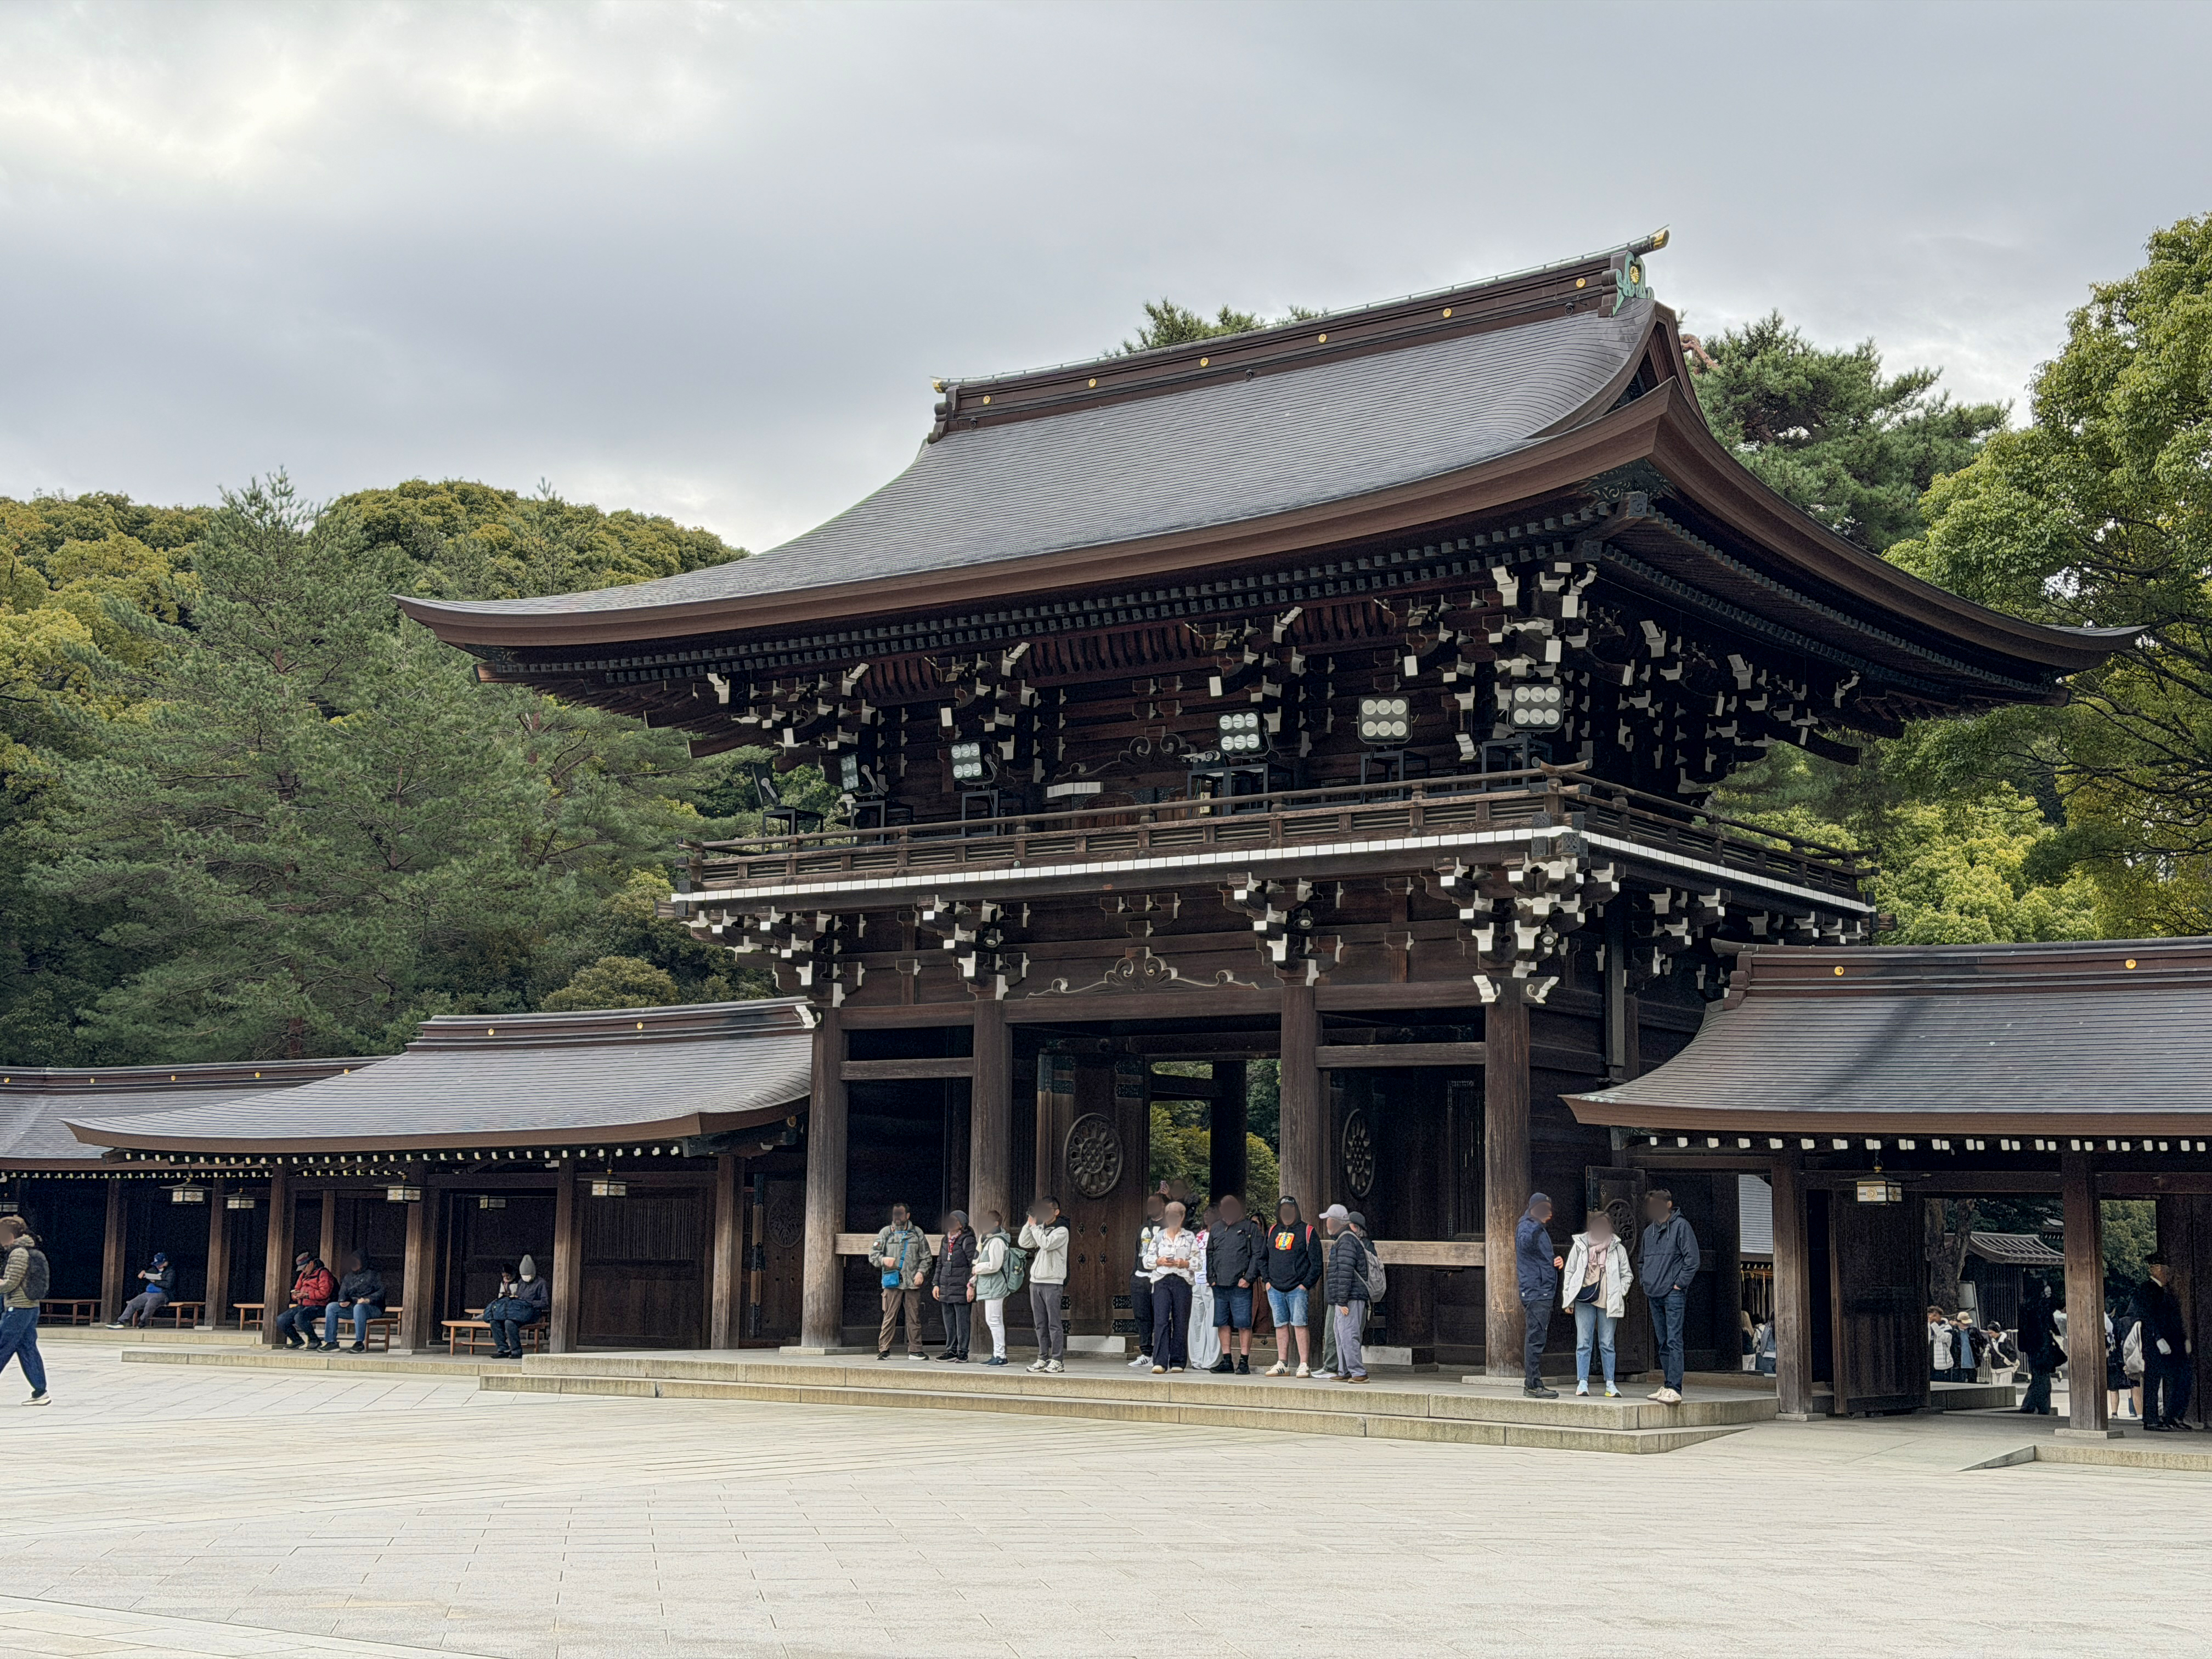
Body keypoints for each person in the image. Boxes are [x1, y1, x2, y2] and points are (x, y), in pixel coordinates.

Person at [1561, 1206, 1632, 1398]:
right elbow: (1570, 1272)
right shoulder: (1581, 1245)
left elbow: (1627, 1275)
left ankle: (1610, 1383)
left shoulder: (1618, 1248)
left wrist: (1619, 1292)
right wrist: (1568, 1298)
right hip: (1584, 1298)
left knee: (1607, 1342)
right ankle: (1582, 1382)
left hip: (1608, 1300)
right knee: (1583, 1341)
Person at [1638, 1188, 1700, 1405]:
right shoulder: (1648, 1232)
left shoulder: (1681, 1227)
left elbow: (1692, 1259)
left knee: (1674, 1340)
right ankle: (1667, 1384)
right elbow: (1642, 1261)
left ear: (1668, 1204)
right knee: (1663, 1342)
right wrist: (1645, 1282)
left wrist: (1678, 1285)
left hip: (1673, 1294)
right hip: (1653, 1292)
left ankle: (1675, 1387)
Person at [1262, 1196, 1323, 1378]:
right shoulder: (1273, 1230)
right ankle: (1283, 1363)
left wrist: (1305, 1285)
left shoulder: (1308, 1231)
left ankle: (1304, 1363)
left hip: (1298, 1288)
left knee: (1300, 1324)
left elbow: (1316, 1263)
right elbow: (1263, 1257)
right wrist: (1267, 1281)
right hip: (1275, 1287)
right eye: (1283, 1210)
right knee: (1280, 1325)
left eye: (1290, 1209)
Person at [1206, 1192, 1265, 1376]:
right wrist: (1211, 1277)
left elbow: (1258, 1254)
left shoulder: (1249, 1227)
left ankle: (1244, 1361)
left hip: (1240, 1284)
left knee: (1243, 1323)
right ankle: (1226, 1360)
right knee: (1222, 1322)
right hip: (1219, 1284)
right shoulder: (1216, 1228)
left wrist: (1249, 1278)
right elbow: (1209, 1254)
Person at [868, 1203, 935, 1362]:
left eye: (900, 1214)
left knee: (914, 1317)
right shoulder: (886, 1233)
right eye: (895, 1214)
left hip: (912, 1281)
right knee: (889, 1316)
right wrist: (883, 1260)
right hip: (892, 1281)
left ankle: (915, 1350)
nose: (897, 1217)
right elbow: (873, 1255)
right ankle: (884, 1349)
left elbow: (926, 1257)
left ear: (907, 1216)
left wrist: (921, 1272)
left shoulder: (917, 1233)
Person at [2137, 1252, 2193, 1431]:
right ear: (2155, 1270)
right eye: (2163, 1269)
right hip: (2156, 1343)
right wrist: (2157, 1338)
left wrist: (2185, 1339)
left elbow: (2176, 1319)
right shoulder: (2147, 1289)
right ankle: (2151, 1419)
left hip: (2173, 1343)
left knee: (2181, 1378)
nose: (2167, 1274)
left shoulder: (2167, 1291)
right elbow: (2148, 1317)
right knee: (2153, 1382)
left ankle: (2173, 1416)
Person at [1515, 1192, 1562, 1399]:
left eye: (1549, 1210)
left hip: (1543, 1289)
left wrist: (1556, 1261)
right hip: (1536, 1291)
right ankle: (1533, 1384)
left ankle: (1534, 1383)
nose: (1548, 1213)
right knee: (1535, 1337)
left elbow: (1537, 1257)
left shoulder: (1538, 1229)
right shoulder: (1527, 1225)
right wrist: (1538, 1224)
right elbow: (1525, 1244)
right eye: (1544, 1209)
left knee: (1538, 1336)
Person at [1143, 1200, 1199, 1374]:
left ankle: (1178, 1361)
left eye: (1176, 1215)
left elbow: (1198, 1263)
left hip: (1182, 1280)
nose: (1173, 1218)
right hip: (1162, 1280)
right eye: (1170, 1215)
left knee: (1181, 1321)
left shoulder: (1189, 1237)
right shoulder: (1159, 1236)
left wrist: (1185, 1263)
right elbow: (1146, 1260)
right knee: (1161, 1320)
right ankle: (1159, 1361)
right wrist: (1159, 1261)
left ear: (1182, 1217)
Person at [0, 1217, 50, 1406]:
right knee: (27, 1348)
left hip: (18, 1307)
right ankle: (40, 1391)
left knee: (2, 1346)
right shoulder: (29, 1251)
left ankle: (40, 1391)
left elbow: (11, 1283)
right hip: (30, 1307)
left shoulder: (18, 1253)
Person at [1019, 1197, 1070, 1373]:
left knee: (1053, 1323)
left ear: (1056, 1212)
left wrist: (1035, 1228)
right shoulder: (1040, 1228)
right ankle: (1042, 1357)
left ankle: (1057, 1359)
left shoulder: (1062, 1231)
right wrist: (1029, 1224)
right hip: (1036, 1282)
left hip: (1052, 1282)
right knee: (1040, 1323)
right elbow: (1024, 1243)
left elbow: (1046, 1244)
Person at [1323, 1205, 1372, 1384]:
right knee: (1340, 1333)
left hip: (1350, 1296)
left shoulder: (1347, 1241)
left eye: (1329, 1219)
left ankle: (1358, 1371)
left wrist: (1342, 1300)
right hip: (1343, 1297)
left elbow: (1345, 1271)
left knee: (1348, 1333)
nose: (1327, 1223)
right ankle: (1344, 1370)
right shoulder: (1343, 1240)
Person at [970, 1210, 1015, 1367]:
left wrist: (978, 1268)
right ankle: (997, 1354)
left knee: (995, 1321)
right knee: (992, 1320)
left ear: (995, 1224)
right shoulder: (988, 1241)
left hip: (996, 1286)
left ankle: (1000, 1355)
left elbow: (994, 1265)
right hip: (990, 1286)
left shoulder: (997, 1241)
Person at [1127, 1193, 1168, 1369]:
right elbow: (1138, 1251)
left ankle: (1160, 1354)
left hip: (1158, 1277)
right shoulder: (1143, 1227)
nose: (1151, 1207)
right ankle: (1146, 1352)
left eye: (1155, 1204)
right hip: (1140, 1277)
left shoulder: (1168, 1228)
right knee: (1142, 1315)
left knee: (1159, 1317)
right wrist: (1134, 1274)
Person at [318, 1250, 386, 1353]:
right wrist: (342, 1301)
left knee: (359, 1308)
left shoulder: (373, 1275)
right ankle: (331, 1342)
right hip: (353, 1307)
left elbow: (382, 1291)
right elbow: (343, 1292)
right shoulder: (349, 1277)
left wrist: (368, 1299)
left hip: (373, 1308)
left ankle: (359, 1343)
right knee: (332, 1307)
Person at [933, 1210, 976, 1363]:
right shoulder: (945, 1240)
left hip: (962, 1286)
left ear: (962, 1224)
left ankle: (963, 1351)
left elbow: (973, 1263)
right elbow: (940, 1262)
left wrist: (971, 1285)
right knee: (949, 1321)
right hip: (946, 1285)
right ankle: (950, 1350)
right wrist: (936, 1283)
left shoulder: (968, 1240)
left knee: (962, 1320)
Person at [486, 1256, 550, 1358]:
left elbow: (545, 1302)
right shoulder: (521, 1282)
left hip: (532, 1312)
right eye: (524, 1275)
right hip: (518, 1310)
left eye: (528, 1275)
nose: (526, 1278)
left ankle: (517, 1351)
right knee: (495, 1322)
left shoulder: (541, 1283)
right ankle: (503, 1349)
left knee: (509, 1323)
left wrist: (529, 1303)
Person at [275, 1253, 336, 1350]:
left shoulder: (323, 1273)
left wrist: (307, 1295)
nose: (303, 1271)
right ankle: (296, 1340)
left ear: (311, 1264)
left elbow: (325, 1293)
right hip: (303, 1305)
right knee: (281, 1319)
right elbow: (297, 1289)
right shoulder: (303, 1275)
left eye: (304, 1268)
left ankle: (314, 1340)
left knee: (300, 1317)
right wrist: (295, 1295)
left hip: (320, 1306)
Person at [2016, 1280, 2059, 1415]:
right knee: (2042, 1377)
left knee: (2039, 1376)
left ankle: (2041, 1405)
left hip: (2031, 1346)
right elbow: (2051, 1325)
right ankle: (2032, 1405)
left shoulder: (2025, 1307)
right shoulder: (2042, 1307)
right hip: (2043, 1345)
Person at [1188, 1205, 1221, 1372]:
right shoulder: (1199, 1235)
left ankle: (1211, 1360)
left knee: (1212, 1322)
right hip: (1197, 1282)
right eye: (1206, 1213)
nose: (1207, 1215)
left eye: (1211, 1213)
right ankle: (1197, 1358)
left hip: (1212, 1283)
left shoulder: (1220, 1233)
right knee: (1197, 1321)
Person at [112, 1251, 177, 1328]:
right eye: (157, 1264)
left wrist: (155, 1282)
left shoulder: (171, 1272)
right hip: (148, 1293)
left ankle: (142, 1322)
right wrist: (143, 1273)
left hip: (162, 1294)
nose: (158, 1266)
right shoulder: (154, 1269)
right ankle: (121, 1321)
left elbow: (168, 1285)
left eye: (160, 1264)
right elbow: (147, 1273)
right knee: (133, 1303)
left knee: (150, 1304)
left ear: (166, 1262)